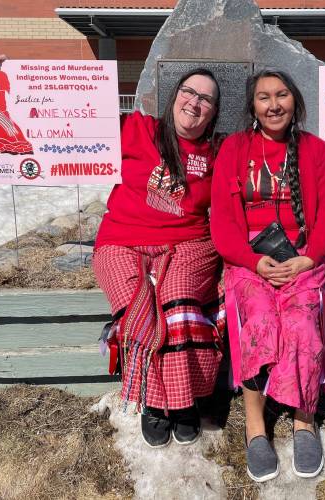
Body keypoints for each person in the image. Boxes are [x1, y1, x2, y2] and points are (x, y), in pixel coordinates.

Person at [210, 70, 325, 481]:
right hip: (250, 260)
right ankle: (255, 429)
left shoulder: (316, 152)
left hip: (300, 257)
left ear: (295, 101)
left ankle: (304, 421)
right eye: (264, 97)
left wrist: (308, 258)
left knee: (302, 324)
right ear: (252, 106)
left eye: (282, 95)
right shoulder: (234, 149)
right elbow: (222, 223)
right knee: (260, 321)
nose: (273, 105)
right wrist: (252, 262)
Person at [92, 68, 225, 448]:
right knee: (138, 311)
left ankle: (181, 403)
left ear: (213, 112)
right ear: (174, 96)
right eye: (189, 92)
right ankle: (159, 401)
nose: (195, 102)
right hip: (122, 240)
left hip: (188, 244)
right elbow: (68, 111)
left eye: (206, 99)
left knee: (178, 307)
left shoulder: (217, 151)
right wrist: (4, 74)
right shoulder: (136, 129)